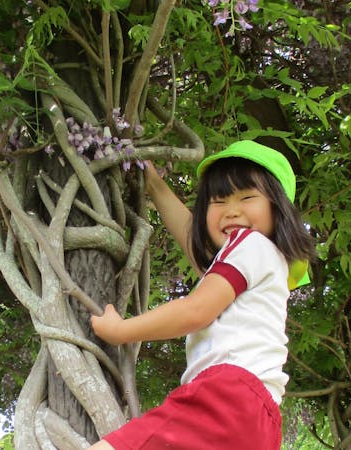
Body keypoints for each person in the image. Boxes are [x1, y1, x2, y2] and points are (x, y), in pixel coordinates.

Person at [89, 140, 316, 449]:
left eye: (247, 197)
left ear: (278, 209)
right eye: (218, 201)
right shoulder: (264, 262)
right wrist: (155, 186)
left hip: (227, 396)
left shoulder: (249, 244)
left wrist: (120, 331)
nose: (232, 211)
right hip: (260, 423)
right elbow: (192, 241)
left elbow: (196, 311)